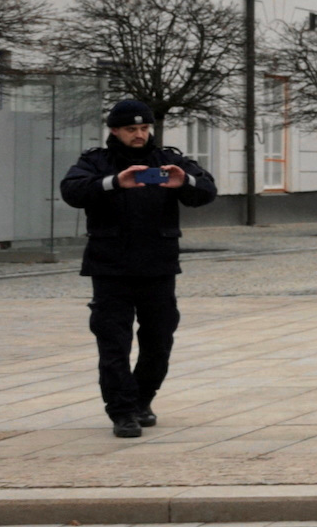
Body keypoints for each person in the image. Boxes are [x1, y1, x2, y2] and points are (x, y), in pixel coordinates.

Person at [58, 99, 217, 438]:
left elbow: (206, 190)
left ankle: (143, 400)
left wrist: (184, 181)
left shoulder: (168, 160)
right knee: (114, 342)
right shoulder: (96, 162)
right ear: (114, 130)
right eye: (131, 129)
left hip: (158, 267)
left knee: (159, 341)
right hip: (110, 268)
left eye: (144, 128)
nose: (139, 135)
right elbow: (71, 190)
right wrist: (115, 182)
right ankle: (122, 412)